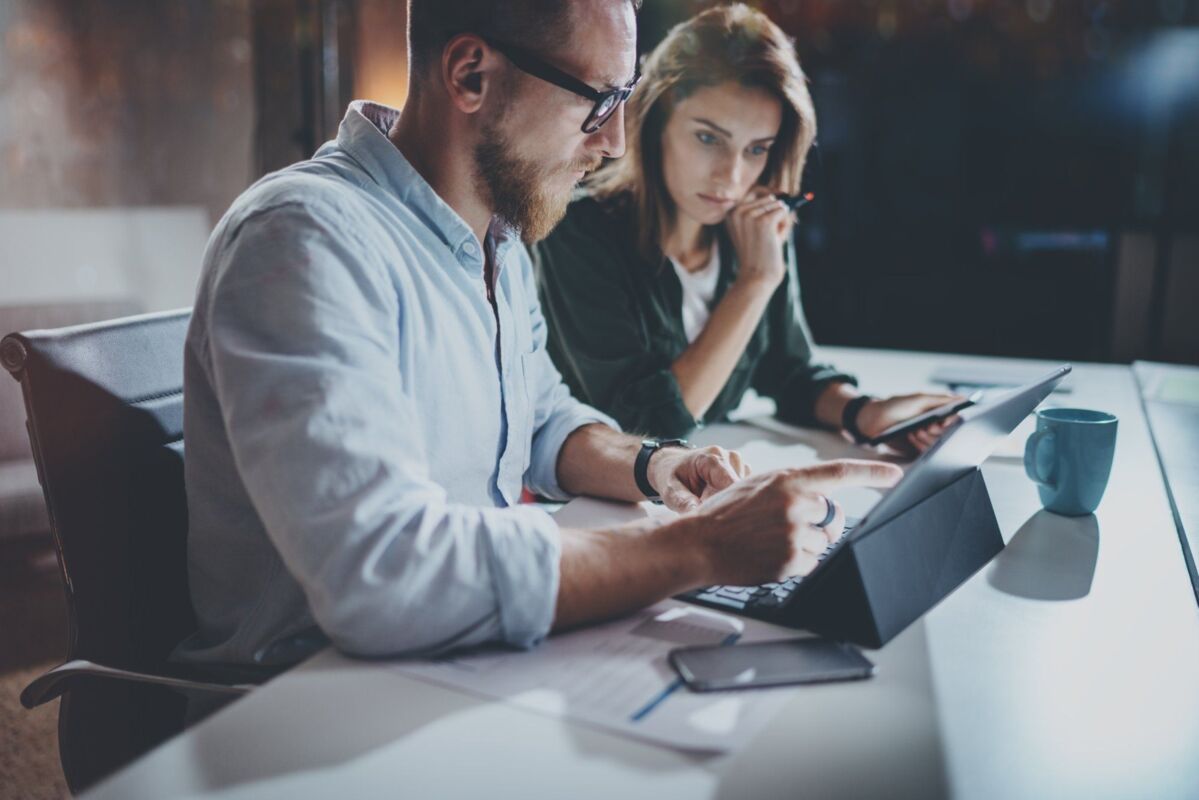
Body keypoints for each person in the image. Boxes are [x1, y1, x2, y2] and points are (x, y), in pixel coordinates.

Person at [175, 0, 901, 670]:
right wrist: (696, 547)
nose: (615, 142)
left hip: (454, 655)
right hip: (310, 694)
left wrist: (656, 464)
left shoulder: (499, 239)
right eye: (601, 101)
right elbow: (386, 577)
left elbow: (545, 421)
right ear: (471, 74)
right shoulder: (306, 237)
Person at [532, 4, 960, 453]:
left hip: (710, 477)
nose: (732, 177)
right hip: (599, 504)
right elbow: (646, 425)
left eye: (757, 149)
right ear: (656, 123)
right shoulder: (578, 232)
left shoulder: (754, 220)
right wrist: (754, 283)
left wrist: (865, 412)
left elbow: (790, 371)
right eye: (708, 138)